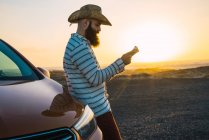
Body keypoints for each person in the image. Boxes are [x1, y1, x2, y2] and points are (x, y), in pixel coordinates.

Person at [63, 4, 138, 140]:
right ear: (85, 23)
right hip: (97, 111)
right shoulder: (79, 47)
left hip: (91, 108)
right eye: (97, 25)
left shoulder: (78, 43)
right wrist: (121, 62)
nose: (99, 30)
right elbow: (96, 78)